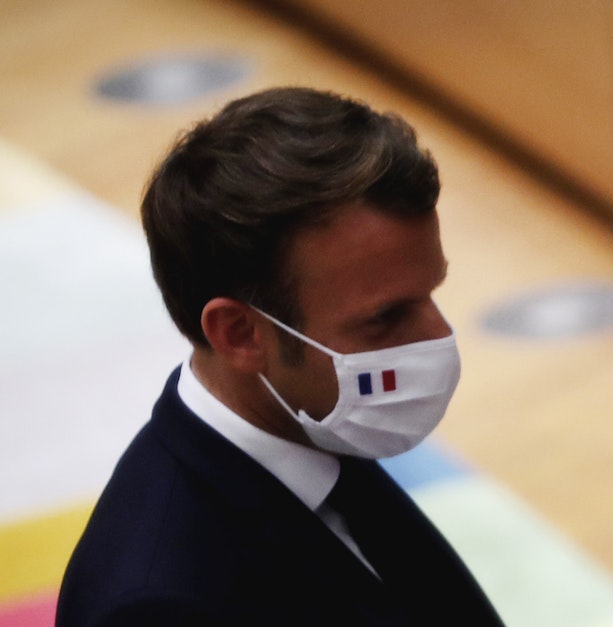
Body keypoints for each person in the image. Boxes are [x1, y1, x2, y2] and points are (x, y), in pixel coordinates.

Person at [58, 87, 504, 627]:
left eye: (432, 293)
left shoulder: (316, 430)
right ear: (240, 334)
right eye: (385, 317)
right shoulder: (157, 607)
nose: (437, 333)